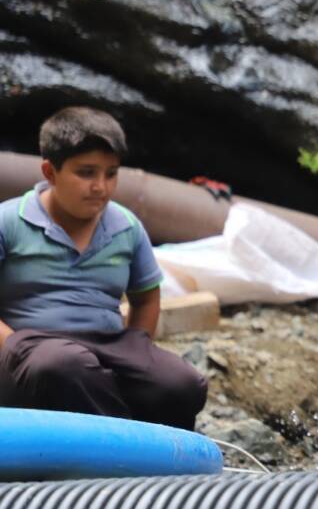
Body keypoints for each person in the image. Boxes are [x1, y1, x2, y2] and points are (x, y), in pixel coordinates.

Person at [0, 106, 208, 430]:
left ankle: (158, 461)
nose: (101, 186)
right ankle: (124, 448)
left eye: (111, 173)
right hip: (30, 349)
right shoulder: (9, 221)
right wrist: (15, 348)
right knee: (63, 365)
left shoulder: (126, 226)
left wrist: (138, 346)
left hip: (108, 346)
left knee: (181, 384)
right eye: (86, 173)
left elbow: (145, 298)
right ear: (50, 172)